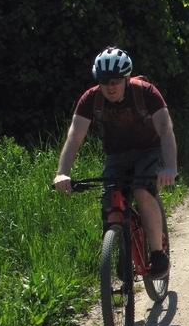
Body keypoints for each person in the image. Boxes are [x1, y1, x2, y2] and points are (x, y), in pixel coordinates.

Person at [53, 47, 177, 279]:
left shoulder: (147, 93)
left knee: (142, 192)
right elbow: (75, 136)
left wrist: (170, 167)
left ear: (126, 79)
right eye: (104, 81)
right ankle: (123, 252)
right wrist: (62, 172)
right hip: (116, 157)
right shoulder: (91, 99)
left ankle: (158, 254)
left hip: (149, 151)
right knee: (111, 202)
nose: (110, 86)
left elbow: (165, 129)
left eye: (115, 81)